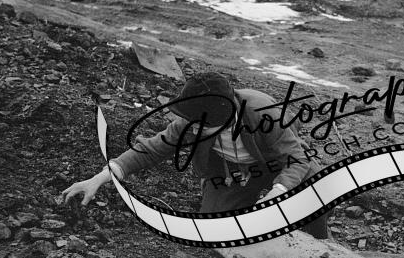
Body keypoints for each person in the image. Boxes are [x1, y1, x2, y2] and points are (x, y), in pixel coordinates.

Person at [62, 72, 330, 239]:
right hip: (230, 174)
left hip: (276, 164)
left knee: (315, 187)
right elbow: (151, 149)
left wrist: (278, 192)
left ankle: (319, 237)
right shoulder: (192, 121)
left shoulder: (264, 112)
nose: (191, 128)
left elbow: (297, 157)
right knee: (214, 229)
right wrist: (99, 178)